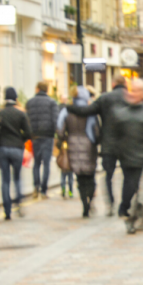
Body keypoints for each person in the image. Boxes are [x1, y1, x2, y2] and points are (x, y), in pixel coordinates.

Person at [66, 76, 128, 215]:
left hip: (109, 144)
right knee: (127, 176)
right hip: (127, 144)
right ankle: (125, 204)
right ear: (125, 84)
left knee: (108, 176)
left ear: (113, 83)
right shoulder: (130, 97)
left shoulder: (104, 98)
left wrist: (68, 107)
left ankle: (110, 204)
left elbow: (86, 111)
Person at [111, 79, 143, 232]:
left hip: (139, 155)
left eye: (137, 90)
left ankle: (128, 212)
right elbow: (113, 135)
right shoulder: (120, 113)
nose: (133, 93)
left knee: (133, 185)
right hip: (124, 156)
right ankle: (127, 211)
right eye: (132, 90)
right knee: (130, 184)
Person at [0, 87, 33, 220]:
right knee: (17, 178)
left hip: (2, 149)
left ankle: (7, 210)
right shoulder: (20, 114)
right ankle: (19, 205)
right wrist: (20, 140)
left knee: (5, 180)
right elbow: (28, 133)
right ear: (16, 98)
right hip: (16, 148)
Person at [58, 86, 100, 217]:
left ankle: (84, 205)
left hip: (73, 147)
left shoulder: (66, 111)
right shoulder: (91, 112)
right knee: (90, 176)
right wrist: (96, 142)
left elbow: (59, 130)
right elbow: (97, 131)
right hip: (89, 147)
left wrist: (66, 138)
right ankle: (90, 200)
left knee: (80, 178)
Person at [25, 81, 59, 199]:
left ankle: (36, 187)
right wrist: (56, 135)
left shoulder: (30, 103)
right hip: (48, 137)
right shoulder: (52, 103)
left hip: (35, 137)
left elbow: (27, 121)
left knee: (36, 164)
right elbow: (55, 121)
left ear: (37, 89)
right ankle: (44, 190)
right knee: (46, 164)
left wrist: (29, 134)